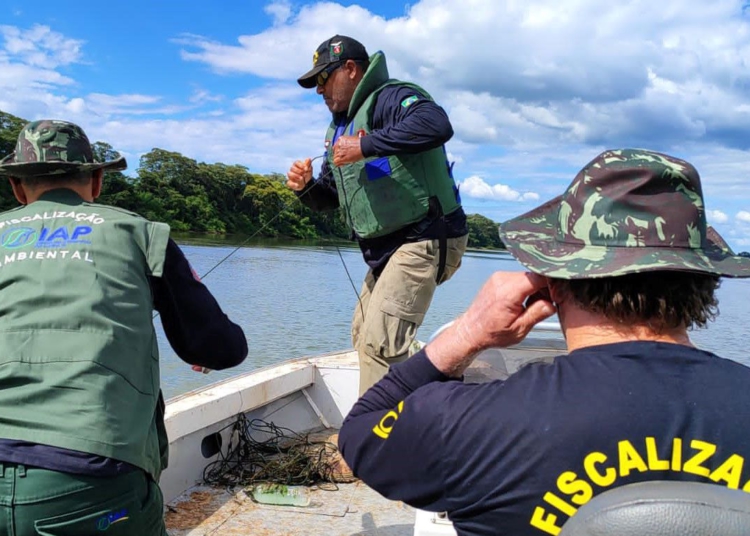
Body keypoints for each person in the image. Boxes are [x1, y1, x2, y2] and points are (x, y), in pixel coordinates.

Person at [338, 148, 750, 536]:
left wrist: (468, 333)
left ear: (551, 280)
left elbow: (360, 432)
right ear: (705, 280)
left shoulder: (472, 425)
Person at [0, 120, 248, 535]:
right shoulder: (137, 232)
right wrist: (196, 344)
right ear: (97, 181)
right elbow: (221, 349)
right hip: (86, 478)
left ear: (17, 188)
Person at [287, 35, 469, 394]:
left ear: (351, 69)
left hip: (427, 235)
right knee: (363, 334)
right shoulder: (341, 128)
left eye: (323, 80)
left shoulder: (390, 97)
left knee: (379, 344)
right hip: (387, 251)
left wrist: (366, 144)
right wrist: (306, 187)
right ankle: (438, 379)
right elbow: (330, 198)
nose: (319, 91)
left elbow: (436, 124)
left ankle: (373, 443)